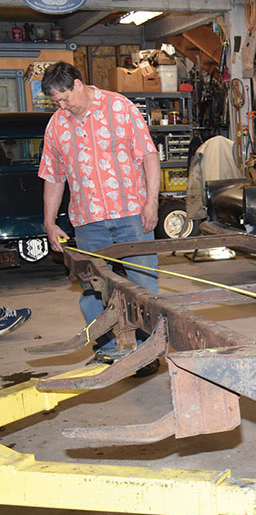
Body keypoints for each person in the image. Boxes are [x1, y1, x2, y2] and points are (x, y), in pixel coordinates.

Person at [38, 61, 160, 363]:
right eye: (57, 102)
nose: (63, 106)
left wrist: (152, 202)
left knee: (143, 286)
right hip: (88, 222)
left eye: (65, 98)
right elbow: (53, 176)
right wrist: (49, 222)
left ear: (78, 84)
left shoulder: (120, 108)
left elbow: (149, 156)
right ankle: (106, 350)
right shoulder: (56, 125)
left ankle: (149, 350)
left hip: (132, 215)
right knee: (94, 291)